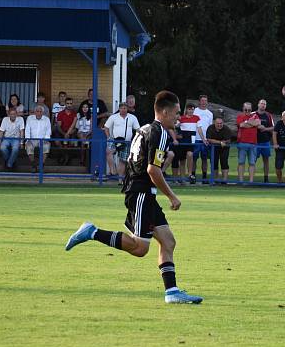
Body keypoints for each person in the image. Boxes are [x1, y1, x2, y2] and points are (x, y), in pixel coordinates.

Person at [65, 90, 203, 304]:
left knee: (168, 241)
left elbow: (145, 165)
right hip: (141, 193)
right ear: (165, 112)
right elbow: (152, 170)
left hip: (141, 191)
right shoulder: (161, 133)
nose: (178, 117)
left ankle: (172, 292)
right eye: (176, 113)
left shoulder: (146, 129)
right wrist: (172, 196)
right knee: (140, 248)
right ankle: (91, 232)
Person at [104, 103, 139, 179]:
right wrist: (109, 137)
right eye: (122, 108)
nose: (123, 110)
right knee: (108, 152)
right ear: (119, 109)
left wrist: (135, 139)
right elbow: (106, 127)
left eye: (125, 108)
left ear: (127, 109)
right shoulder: (113, 117)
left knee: (122, 160)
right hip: (114, 140)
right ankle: (113, 171)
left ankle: (120, 179)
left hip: (126, 141)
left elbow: (138, 130)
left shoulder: (132, 117)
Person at [236, 101, 260, 183]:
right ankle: (241, 181)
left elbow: (258, 123)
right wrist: (251, 123)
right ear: (243, 109)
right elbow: (241, 125)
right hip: (242, 142)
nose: (247, 112)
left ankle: (251, 181)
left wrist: (247, 122)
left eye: (249, 110)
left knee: (252, 163)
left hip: (253, 143)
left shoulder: (255, 115)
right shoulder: (239, 116)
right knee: (241, 162)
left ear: (251, 110)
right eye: (245, 110)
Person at [176, 104, 200, 183]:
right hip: (183, 140)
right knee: (182, 160)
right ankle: (182, 178)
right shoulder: (181, 118)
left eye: (192, 109)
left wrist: (204, 139)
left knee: (190, 155)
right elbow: (174, 126)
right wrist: (177, 122)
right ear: (186, 110)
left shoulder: (196, 118)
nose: (191, 111)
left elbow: (199, 129)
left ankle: (190, 174)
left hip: (191, 140)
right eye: (189, 109)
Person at [24, 105, 52, 173]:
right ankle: (34, 165)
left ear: (42, 112)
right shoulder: (30, 118)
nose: (39, 113)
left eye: (40, 111)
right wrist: (28, 140)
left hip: (43, 139)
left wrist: (46, 140)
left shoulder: (46, 119)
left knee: (46, 145)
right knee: (28, 146)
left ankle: (41, 165)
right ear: (34, 112)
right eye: (37, 111)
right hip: (32, 139)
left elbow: (48, 131)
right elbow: (27, 130)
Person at [192, 95, 213, 182]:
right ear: (199, 102)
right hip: (195, 138)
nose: (204, 102)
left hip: (206, 140)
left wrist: (208, 138)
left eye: (205, 101)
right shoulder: (194, 111)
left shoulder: (210, 113)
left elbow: (210, 127)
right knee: (194, 158)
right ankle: (192, 176)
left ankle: (204, 177)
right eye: (202, 101)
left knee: (204, 159)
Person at [206, 115, 233, 183]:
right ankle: (215, 179)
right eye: (218, 123)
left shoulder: (226, 129)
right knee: (214, 162)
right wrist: (220, 142)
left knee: (224, 162)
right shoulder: (210, 128)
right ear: (214, 123)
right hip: (214, 148)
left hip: (224, 148)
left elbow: (229, 140)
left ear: (223, 123)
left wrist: (224, 142)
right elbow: (209, 139)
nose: (219, 125)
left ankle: (224, 180)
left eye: (221, 123)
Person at [0, 106, 25, 171]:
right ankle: (12, 161)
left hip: (16, 139)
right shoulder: (5, 119)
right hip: (6, 138)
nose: (13, 115)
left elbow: (22, 131)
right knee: (2, 148)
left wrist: (21, 143)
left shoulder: (20, 119)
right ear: (9, 114)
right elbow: (1, 132)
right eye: (11, 114)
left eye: (14, 114)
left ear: (16, 114)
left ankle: (9, 164)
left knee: (15, 149)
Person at [254, 99, 274, 183]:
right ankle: (251, 178)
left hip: (266, 141)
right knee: (253, 160)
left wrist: (265, 129)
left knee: (266, 160)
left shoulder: (268, 115)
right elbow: (248, 124)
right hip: (255, 141)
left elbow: (273, 127)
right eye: (261, 103)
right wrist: (257, 126)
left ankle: (266, 178)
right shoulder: (253, 114)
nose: (263, 105)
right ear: (258, 104)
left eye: (264, 104)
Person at [54, 96, 78, 166]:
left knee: (72, 142)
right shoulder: (60, 113)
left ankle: (65, 156)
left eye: (70, 103)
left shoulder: (74, 114)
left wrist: (70, 132)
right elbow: (58, 126)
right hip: (61, 131)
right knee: (57, 142)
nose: (69, 105)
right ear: (65, 104)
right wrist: (64, 134)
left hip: (71, 131)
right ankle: (66, 156)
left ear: (72, 104)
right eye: (68, 103)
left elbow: (75, 127)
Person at [75, 102, 93, 167]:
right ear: (81, 108)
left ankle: (85, 160)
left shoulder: (91, 116)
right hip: (80, 132)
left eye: (86, 107)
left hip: (89, 133)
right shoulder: (78, 115)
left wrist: (87, 134)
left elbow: (91, 129)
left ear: (88, 108)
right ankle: (82, 159)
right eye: (83, 107)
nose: (85, 108)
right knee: (83, 140)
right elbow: (76, 127)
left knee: (85, 141)